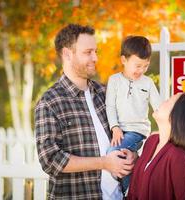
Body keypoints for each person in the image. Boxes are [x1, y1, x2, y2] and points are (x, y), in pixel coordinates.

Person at [35, 24, 136, 200]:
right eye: (88, 52)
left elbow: (128, 133)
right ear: (67, 54)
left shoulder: (106, 93)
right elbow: (50, 160)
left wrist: (132, 154)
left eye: (96, 51)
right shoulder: (50, 102)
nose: (95, 58)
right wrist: (105, 163)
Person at [127, 92, 185, 200]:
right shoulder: (151, 141)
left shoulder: (180, 158)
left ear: (176, 116)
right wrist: (135, 159)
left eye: (168, 101)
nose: (162, 102)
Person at [105, 36, 161, 192]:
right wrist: (114, 127)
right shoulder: (114, 80)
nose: (141, 70)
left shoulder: (147, 83)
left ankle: (129, 189)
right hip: (119, 131)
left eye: (145, 66)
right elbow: (110, 106)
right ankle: (130, 187)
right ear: (124, 60)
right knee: (121, 156)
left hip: (137, 132)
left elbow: (159, 107)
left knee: (113, 153)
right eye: (137, 65)